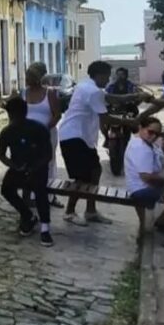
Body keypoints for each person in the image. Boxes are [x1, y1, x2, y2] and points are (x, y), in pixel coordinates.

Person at [58, 60, 136, 225]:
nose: (108, 81)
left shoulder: (85, 85)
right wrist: (131, 122)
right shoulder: (92, 91)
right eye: (107, 77)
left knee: (95, 171)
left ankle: (91, 210)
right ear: (99, 75)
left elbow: (108, 97)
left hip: (80, 136)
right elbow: (105, 117)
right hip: (74, 136)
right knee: (82, 177)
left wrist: (132, 96)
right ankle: (69, 211)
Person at [0, 96, 55, 246]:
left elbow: (48, 155)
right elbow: (2, 155)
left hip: (38, 168)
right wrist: (14, 166)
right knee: (6, 189)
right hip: (18, 168)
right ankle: (27, 214)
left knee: (40, 190)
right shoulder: (7, 132)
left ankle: (45, 228)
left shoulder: (38, 129)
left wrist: (34, 168)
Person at [125, 116, 164, 228]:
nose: (153, 136)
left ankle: (163, 219)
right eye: (150, 132)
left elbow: (160, 159)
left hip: (146, 186)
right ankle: (163, 220)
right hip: (143, 189)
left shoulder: (147, 143)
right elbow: (146, 177)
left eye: (157, 134)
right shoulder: (140, 147)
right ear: (141, 128)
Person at [23, 62, 62, 186]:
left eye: (29, 76)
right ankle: (33, 194)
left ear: (37, 78)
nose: (27, 79)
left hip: (47, 134)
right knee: (30, 163)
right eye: (27, 76)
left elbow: (57, 115)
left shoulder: (49, 93)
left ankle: (50, 194)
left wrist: (44, 128)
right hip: (28, 135)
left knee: (48, 163)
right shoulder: (24, 93)